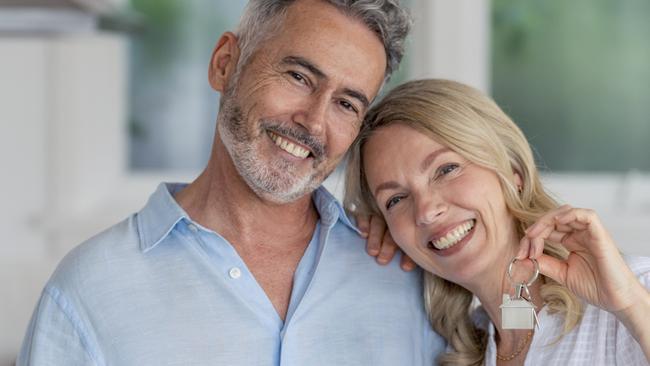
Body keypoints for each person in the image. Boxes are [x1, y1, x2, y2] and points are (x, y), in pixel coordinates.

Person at [17, 1, 446, 365]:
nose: (314, 122)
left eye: (347, 103)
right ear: (225, 63)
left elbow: (512, 332)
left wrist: (516, 280)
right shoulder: (88, 291)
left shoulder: (408, 274)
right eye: (298, 77)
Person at [345, 78, 650, 365]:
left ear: (512, 169)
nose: (425, 211)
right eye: (396, 200)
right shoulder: (456, 349)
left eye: (446, 169)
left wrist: (632, 306)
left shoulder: (634, 292)